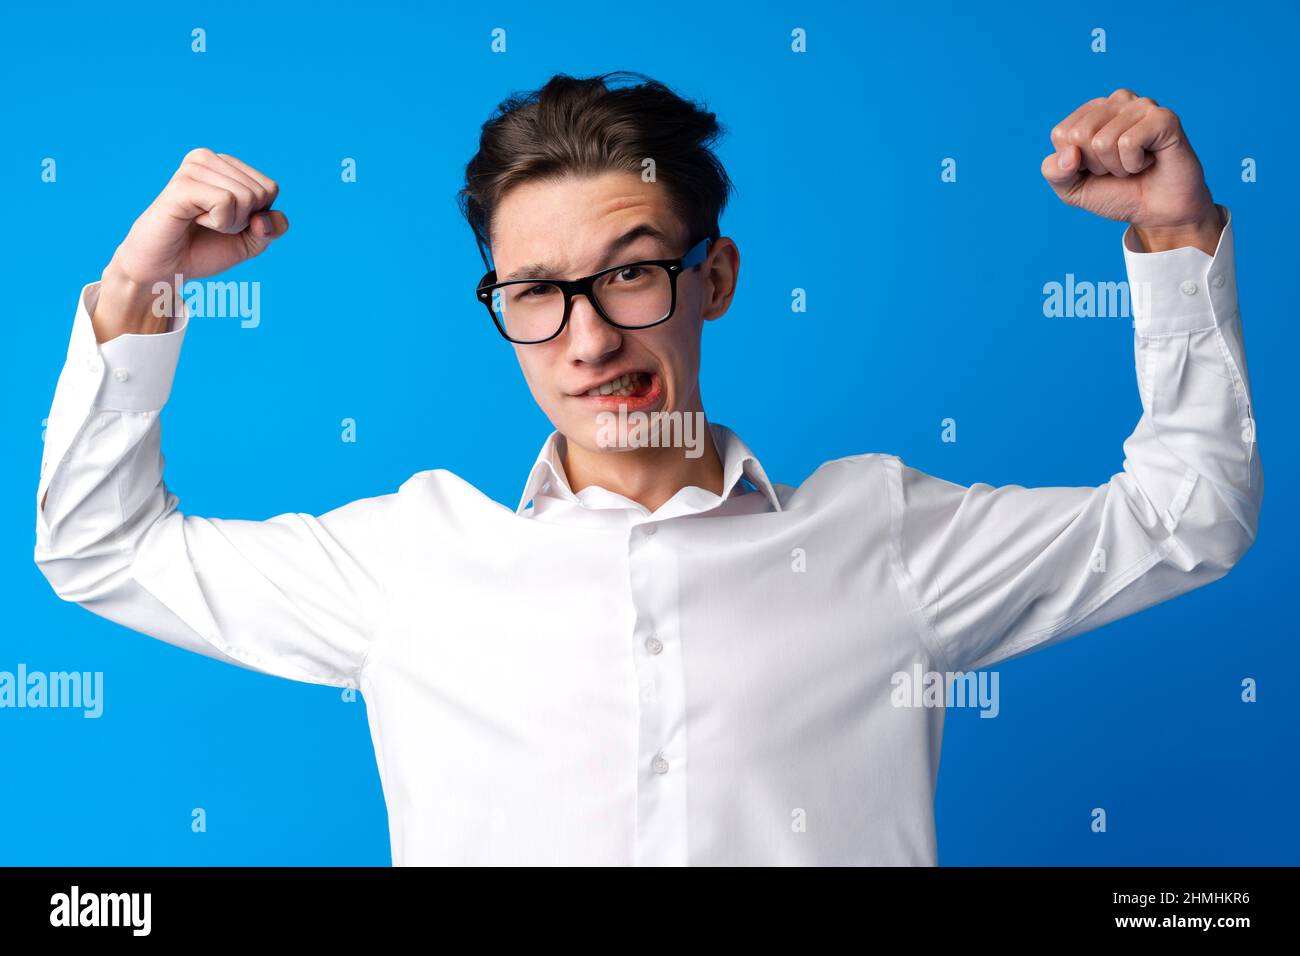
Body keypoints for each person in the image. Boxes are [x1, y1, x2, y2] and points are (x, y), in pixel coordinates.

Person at [34, 72, 1261, 865]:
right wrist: (142, 291)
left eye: (628, 272)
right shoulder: (408, 563)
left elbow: (1186, 514)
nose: (587, 339)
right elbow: (99, 547)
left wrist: (1166, 235)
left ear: (711, 281)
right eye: (533, 294)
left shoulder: (879, 534)